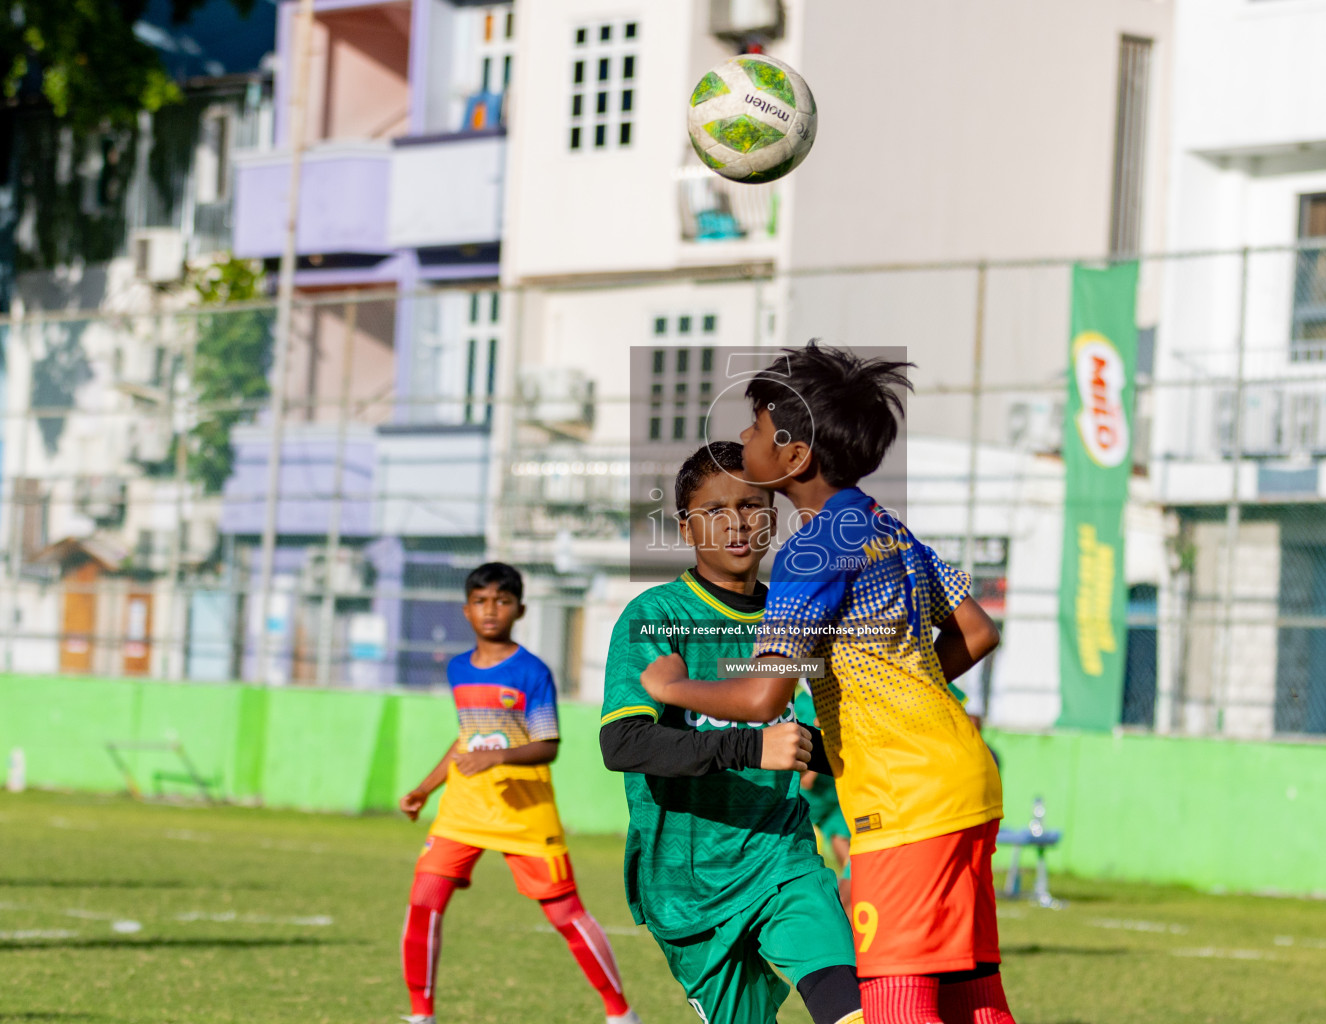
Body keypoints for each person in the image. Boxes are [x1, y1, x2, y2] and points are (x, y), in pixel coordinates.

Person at [639, 344, 1011, 1024]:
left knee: (894, 999)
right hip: (963, 780)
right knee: (970, 994)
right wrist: (900, 685)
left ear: (794, 455)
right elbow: (978, 630)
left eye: (754, 427)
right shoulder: (883, 524)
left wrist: (675, 687)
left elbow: (764, 698)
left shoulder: (809, 551)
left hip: (903, 800)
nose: (745, 438)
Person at [601, 441, 863, 1024]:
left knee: (848, 1005)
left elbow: (818, 741)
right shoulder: (655, 615)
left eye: (752, 506)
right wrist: (751, 746)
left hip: (781, 854)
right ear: (686, 525)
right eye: (716, 511)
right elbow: (623, 744)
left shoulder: (795, 618)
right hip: (686, 882)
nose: (737, 523)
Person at [398, 562, 640, 1024]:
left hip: (525, 814)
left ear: (520, 609)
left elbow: (548, 745)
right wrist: (424, 789)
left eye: (502, 601)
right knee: (423, 901)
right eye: (481, 601)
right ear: (466, 610)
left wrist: (495, 758)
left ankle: (620, 1013)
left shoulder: (532, 672)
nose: (492, 610)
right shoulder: (457, 669)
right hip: (462, 810)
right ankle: (420, 1015)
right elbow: (466, 736)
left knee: (566, 914)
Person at [793, 682, 852, 914]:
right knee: (850, 870)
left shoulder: (835, 691)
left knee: (851, 868)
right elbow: (805, 779)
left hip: (840, 797)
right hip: (821, 805)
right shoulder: (798, 705)